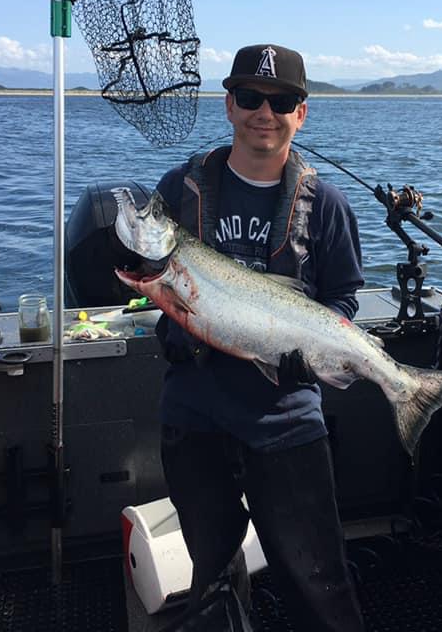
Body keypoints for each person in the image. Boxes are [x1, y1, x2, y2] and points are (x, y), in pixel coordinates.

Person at [152, 44, 366, 631]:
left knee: (319, 582)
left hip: (286, 419)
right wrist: (168, 322)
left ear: (302, 113)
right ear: (229, 106)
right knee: (213, 576)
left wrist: (309, 352)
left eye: (282, 101)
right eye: (249, 97)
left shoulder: (327, 205)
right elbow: (151, 275)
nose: (264, 113)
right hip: (193, 415)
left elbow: (344, 298)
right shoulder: (179, 188)